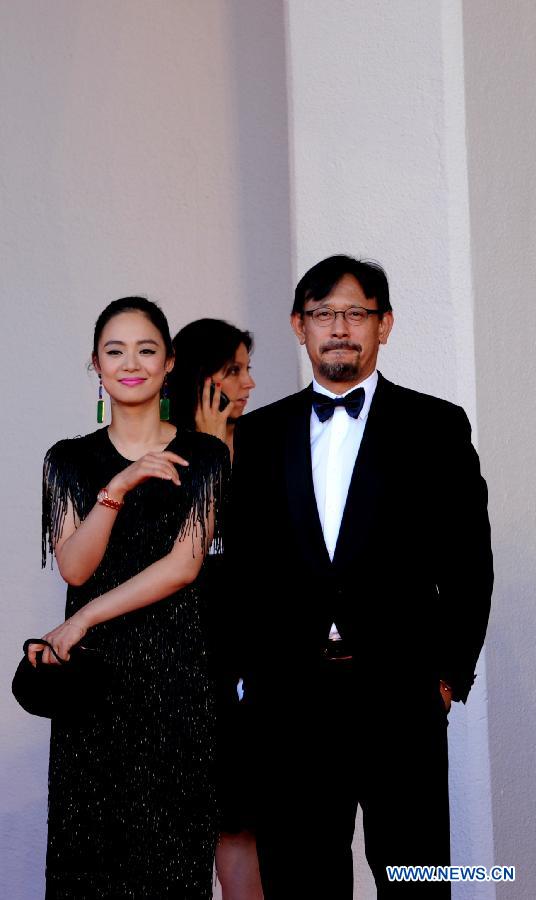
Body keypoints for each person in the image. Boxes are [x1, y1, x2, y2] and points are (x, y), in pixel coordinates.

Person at [227, 255, 493, 898]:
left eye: (355, 313)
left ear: (385, 325)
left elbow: (469, 560)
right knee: (300, 876)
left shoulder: (437, 425)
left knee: (417, 874)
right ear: (299, 326)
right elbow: (242, 567)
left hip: (402, 694)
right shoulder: (257, 435)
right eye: (322, 314)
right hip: (289, 699)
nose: (339, 327)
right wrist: (247, 677)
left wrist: (448, 677)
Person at [28, 297, 230, 899]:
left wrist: (83, 618)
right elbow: (76, 564)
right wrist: (118, 485)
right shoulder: (67, 460)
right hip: (93, 693)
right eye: (115, 351)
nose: (130, 363)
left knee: (172, 866)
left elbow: (183, 566)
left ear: (170, 363)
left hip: (175, 689)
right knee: (89, 863)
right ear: (95, 364)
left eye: (146, 349)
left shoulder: (207, 456)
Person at [170, 319, 263, 900]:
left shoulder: (265, 446)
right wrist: (207, 458)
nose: (250, 384)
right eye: (236, 370)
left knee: (242, 828)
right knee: (177, 833)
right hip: (181, 669)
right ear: (203, 379)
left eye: (249, 368)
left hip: (249, 671)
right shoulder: (165, 454)